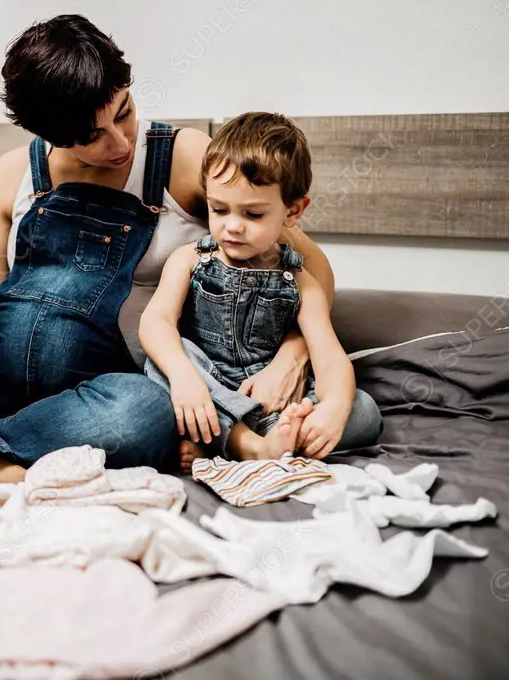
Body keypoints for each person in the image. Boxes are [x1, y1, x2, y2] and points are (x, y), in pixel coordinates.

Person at [0, 15, 336, 482]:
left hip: (99, 395)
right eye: (90, 136)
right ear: (45, 131)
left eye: (123, 111)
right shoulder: (10, 176)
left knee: (142, 415)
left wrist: (293, 354)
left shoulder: (187, 158)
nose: (119, 143)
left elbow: (310, 270)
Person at [139, 112, 382, 470]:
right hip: (205, 390)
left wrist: (331, 410)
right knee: (162, 361)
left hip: (272, 401)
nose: (232, 227)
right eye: (219, 209)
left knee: (364, 412)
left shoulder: (301, 281)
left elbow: (331, 358)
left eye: (253, 215)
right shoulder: (189, 260)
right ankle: (247, 444)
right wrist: (184, 377)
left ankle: (246, 439)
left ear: (293, 210)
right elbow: (155, 322)